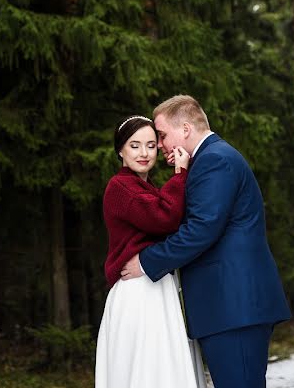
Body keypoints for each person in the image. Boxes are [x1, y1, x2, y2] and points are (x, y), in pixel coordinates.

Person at [120, 95, 291, 388]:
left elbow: (201, 229)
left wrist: (147, 262)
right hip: (230, 307)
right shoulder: (210, 159)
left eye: (162, 136)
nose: (159, 145)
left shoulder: (215, 160)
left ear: (185, 129)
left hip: (234, 306)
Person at [95, 115, 202, 388]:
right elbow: (163, 217)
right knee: (148, 370)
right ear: (120, 149)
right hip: (138, 292)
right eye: (135, 145)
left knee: (159, 368)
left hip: (151, 284)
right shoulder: (121, 187)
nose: (144, 153)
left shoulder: (145, 187)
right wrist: (180, 175)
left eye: (151, 145)